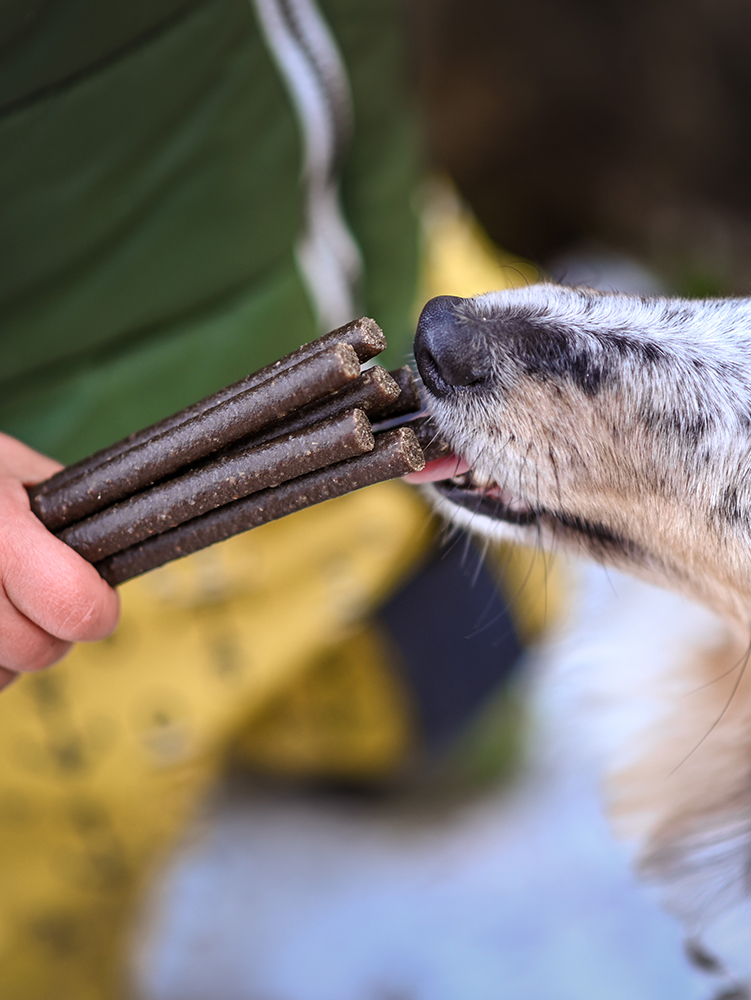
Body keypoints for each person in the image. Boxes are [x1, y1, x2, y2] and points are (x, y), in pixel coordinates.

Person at [0, 2, 554, 996]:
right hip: (77, 513)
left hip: (389, 265)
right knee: (38, 907)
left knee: (489, 618)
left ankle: (382, 737)